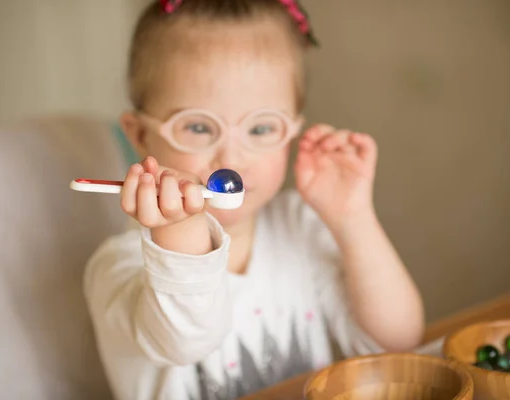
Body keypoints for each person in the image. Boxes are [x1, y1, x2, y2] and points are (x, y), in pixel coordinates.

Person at [84, 1, 425, 399]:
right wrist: (182, 229)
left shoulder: (298, 225)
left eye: (261, 128)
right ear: (140, 136)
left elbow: (398, 342)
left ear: (293, 130)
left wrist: (353, 220)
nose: (231, 159)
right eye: (197, 127)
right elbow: (186, 341)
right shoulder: (118, 267)